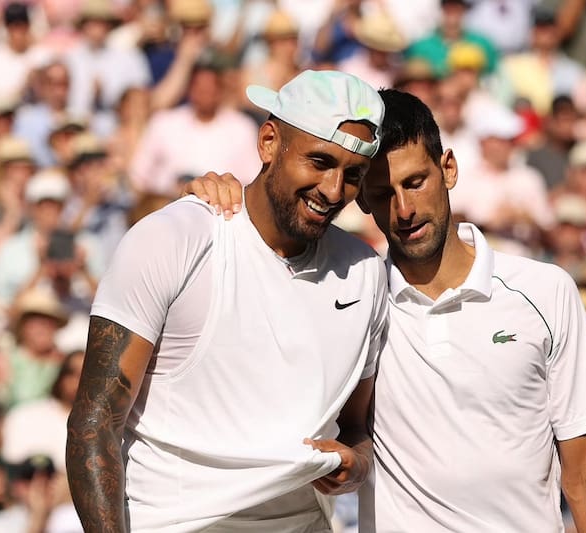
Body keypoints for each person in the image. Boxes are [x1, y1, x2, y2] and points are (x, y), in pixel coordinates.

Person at [187, 89, 586, 531]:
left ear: (448, 169)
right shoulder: (352, 298)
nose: (404, 209)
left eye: (415, 182)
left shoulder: (546, 292)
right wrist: (224, 199)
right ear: (360, 200)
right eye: (382, 193)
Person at [66, 70, 389, 532]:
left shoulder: (366, 272)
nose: (334, 191)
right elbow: (93, 425)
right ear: (269, 143)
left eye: (352, 175)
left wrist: (356, 464)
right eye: (319, 162)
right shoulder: (174, 238)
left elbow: (356, 426)